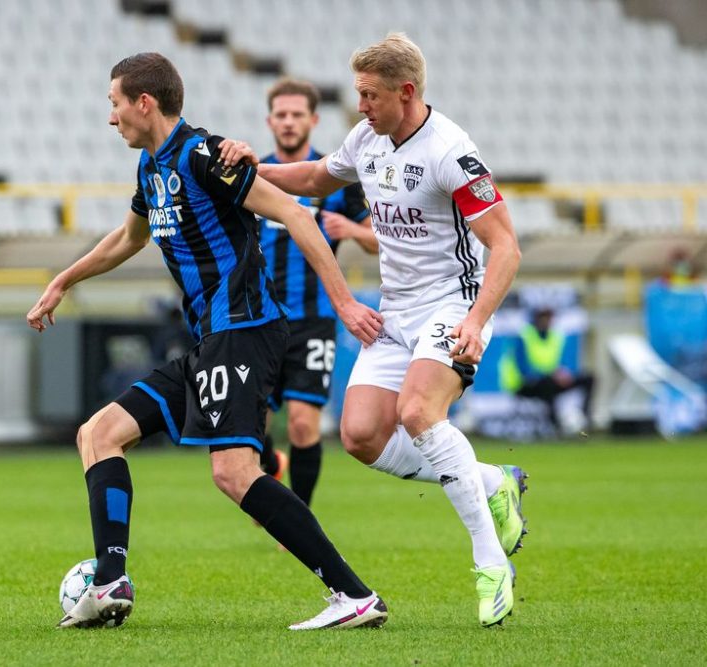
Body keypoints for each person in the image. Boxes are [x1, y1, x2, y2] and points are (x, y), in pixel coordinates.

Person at [28, 52, 388, 631]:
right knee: (98, 434)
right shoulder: (151, 169)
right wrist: (63, 280)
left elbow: (296, 216)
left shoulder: (204, 157)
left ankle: (354, 596)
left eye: (114, 103)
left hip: (244, 328)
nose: (110, 117)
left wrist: (345, 302)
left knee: (233, 473)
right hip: (210, 340)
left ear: (144, 103)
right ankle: (110, 581)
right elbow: (127, 239)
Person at [219, 33, 527, 627]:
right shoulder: (367, 138)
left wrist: (475, 319)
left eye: (369, 95)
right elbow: (315, 178)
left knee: (418, 412)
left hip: (449, 305)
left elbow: (505, 246)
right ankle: (492, 479)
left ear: (405, 92)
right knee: (359, 435)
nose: (359, 105)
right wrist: (254, 167)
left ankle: (491, 562)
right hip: (395, 311)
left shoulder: (451, 152)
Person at [254, 78, 378, 510]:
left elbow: (386, 238)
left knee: (305, 424)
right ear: (270, 121)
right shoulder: (255, 177)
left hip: (315, 316)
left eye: (296, 115)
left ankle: (297, 517)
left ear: (313, 119)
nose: (288, 123)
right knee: (251, 428)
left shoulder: (336, 179)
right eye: (281, 115)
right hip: (259, 318)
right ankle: (271, 464)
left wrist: (355, 231)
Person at [501, 306, 595, 434]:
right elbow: (524, 369)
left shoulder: (555, 337)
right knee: (548, 384)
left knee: (589, 378)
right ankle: (556, 426)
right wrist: (551, 374)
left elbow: (560, 363)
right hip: (524, 385)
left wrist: (563, 374)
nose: (547, 321)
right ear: (536, 319)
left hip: (549, 380)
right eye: (543, 318)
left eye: (549, 318)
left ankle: (585, 419)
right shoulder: (524, 336)